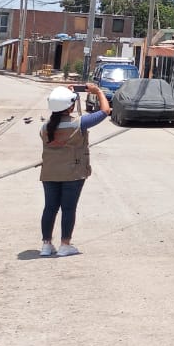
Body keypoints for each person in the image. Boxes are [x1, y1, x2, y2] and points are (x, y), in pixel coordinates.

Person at [39, 83, 110, 257]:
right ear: (70, 105)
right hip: (73, 173)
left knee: (50, 208)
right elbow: (105, 111)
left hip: (49, 173)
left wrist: (65, 96)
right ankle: (65, 244)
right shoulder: (80, 123)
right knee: (68, 209)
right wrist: (98, 91)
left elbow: (59, 115)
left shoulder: (45, 127)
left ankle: (46, 245)